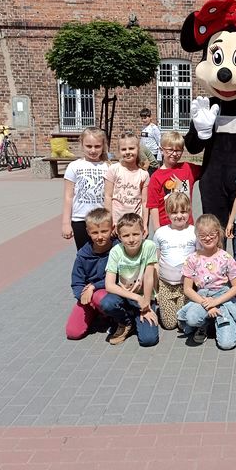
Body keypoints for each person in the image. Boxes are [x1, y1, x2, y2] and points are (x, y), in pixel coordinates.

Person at [178, 214, 236, 350]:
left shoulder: (225, 257)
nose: (208, 238)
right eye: (203, 235)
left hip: (222, 298)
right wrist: (207, 305)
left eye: (212, 234)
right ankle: (204, 324)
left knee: (227, 344)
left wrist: (216, 302)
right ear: (197, 236)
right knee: (192, 318)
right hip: (202, 298)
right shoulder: (192, 259)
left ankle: (220, 321)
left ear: (219, 234)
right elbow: (188, 289)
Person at [102, 213, 160, 347]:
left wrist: (146, 303)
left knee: (148, 340)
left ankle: (136, 318)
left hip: (144, 297)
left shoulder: (149, 246)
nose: (131, 239)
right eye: (126, 235)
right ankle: (126, 322)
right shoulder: (116, 251)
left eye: (135, 234)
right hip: (125, 295)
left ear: (143, 233)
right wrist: (136, 297)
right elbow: (109, 285)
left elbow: (148, 276)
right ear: (119, 237)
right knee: (107, 303)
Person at [65, 208, 115, 340]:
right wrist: (82, 296)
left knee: (100, 297)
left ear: (112, 228)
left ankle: (111, 317)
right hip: (88, 295)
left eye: (104, 231)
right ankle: (97, 313)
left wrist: (94, 287)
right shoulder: (83, 255)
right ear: (88, 232)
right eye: (95, 232)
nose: (100, 236)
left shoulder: (118, 249)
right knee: (73, 332)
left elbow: (118, 277)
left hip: (109, 291)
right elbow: (77, 281)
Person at [152, 192, 197, 330]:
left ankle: (180, 308)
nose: (179, 216)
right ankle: (163, 307)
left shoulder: (194, 231)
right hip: (166, 285)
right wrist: (156, 289)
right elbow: (155, 260)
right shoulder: (160, 233)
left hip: (186, 286)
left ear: (189, 211)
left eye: (183, 211)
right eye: (174, 212)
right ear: (167, 213)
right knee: (169, 325)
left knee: (184, 324)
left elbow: (199, 258)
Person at [62, 127, 110, 249]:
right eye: (89, 146)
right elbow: (68, 196)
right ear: (82, 144)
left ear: (103, 146)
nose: (93, 150)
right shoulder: (74, 166)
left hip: (102, 219)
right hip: (80, 219)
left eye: (97, 146)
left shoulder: (108, 167)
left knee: (104, 253)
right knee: (84, 253)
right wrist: (66, 223)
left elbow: (110, 195)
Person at [146, 130, 200, 233]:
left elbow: (208, 169)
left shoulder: (188, 168)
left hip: (187, 226)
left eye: (178, 150)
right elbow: (153, 206)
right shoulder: (156, 177)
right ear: (161, 150)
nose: (174, 154)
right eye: (170, 150)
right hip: (166, 227)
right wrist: (157, 230)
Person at [104, 131, 149, 234]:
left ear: (138, 149)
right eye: (124, 149)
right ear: (119, 151)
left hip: (135, 224)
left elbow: (144, 202)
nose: (127, 152)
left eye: (131, 148)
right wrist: (109, 221)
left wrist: (145, 224)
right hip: (116, 224)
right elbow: (107, 196)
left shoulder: (143, 174)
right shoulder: (114, 169)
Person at [138, 107, 162, 174]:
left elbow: (159, 141)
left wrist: (159, 157)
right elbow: (142, 140)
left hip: (152, 153)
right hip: (144, 154)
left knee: (152, 172)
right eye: (142, 118)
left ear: (150, 117)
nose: (143, 120)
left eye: (145, 118)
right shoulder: (143, 128)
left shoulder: (154, 128)